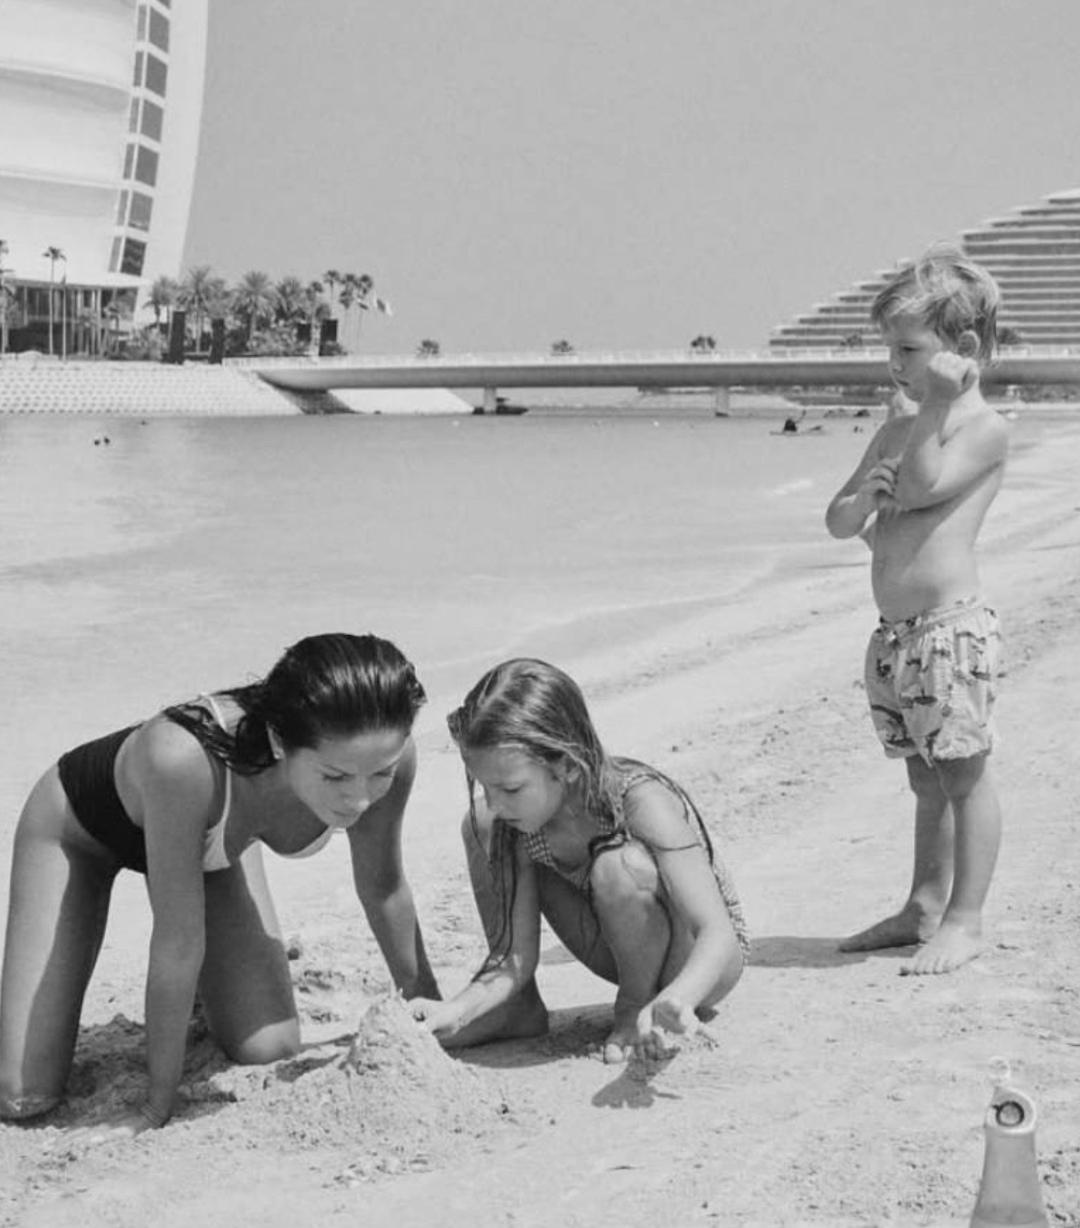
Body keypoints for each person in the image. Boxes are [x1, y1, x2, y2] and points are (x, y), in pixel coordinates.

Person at [0, 632, 438, 1131]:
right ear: (279, 742)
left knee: (270, 1048)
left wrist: (433, 1019)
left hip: (211, 844)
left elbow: (384, 889)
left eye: (378, 775)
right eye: (335, 778)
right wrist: (156, 1105)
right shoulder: (181, 761)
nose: (359, 799)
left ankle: (203, 999)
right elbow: (177, 943)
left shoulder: (384, 753)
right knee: (23, 1095)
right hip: (79, 833)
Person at [408, 658, 748, 1062]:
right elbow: (513, 956)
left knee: (617, 866)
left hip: (700, 963)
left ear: (567, 764)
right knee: (481, 823)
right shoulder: (514, 823)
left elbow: (716, 931)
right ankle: (515, 1009)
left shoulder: (639, 801)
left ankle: (633, 1007)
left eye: (511, 789)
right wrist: (456, 1010)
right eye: (485, 786)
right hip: (621, 947)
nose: (497, 803)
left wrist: (680, 997)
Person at [825, 246, 1009, 975]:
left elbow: (928, 485)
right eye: (890, 349)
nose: (893, 365)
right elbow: (839, 519)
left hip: (947, 634)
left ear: (961, 348)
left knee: (964, 775)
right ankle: (923, 905)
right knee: (923, 778)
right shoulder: (897, 429)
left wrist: (932, 406)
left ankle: (966, 919)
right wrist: (861, 499)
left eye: (908, 350)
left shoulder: (980, 428)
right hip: (897, 639)